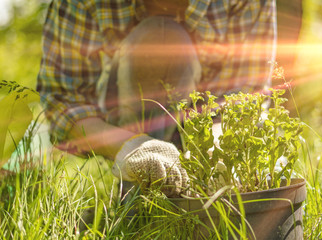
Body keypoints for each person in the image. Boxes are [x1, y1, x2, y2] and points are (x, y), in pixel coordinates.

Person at [37, 0, 277, 197]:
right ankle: (140, 191)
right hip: (128, 112)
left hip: (208, 122)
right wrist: (129, 147)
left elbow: (247, 96)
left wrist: (215, 149)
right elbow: (64, 101)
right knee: (158, 38)